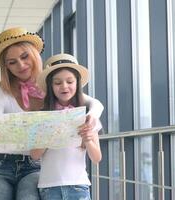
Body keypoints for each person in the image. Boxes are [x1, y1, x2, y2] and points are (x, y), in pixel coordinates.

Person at [0, 27, 104, 200]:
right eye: (12, 62)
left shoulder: (52, 86)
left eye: (24, 57)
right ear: (6, 66)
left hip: (35, 165)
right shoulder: (1, 92)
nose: (21, 66)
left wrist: (92, 118)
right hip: (0, 163)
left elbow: (94, 103)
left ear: (34, 55)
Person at [30, 53, 102, 200]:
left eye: (70, 81)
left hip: (78, 186)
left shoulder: (86, 116)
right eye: (57, 83)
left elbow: (96, 158)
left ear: (77, 83)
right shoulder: (43, 116)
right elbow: (34, 155)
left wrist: (87, 139)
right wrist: (49, 137)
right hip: (49, 188)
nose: (64, 86)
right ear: (50, 86)